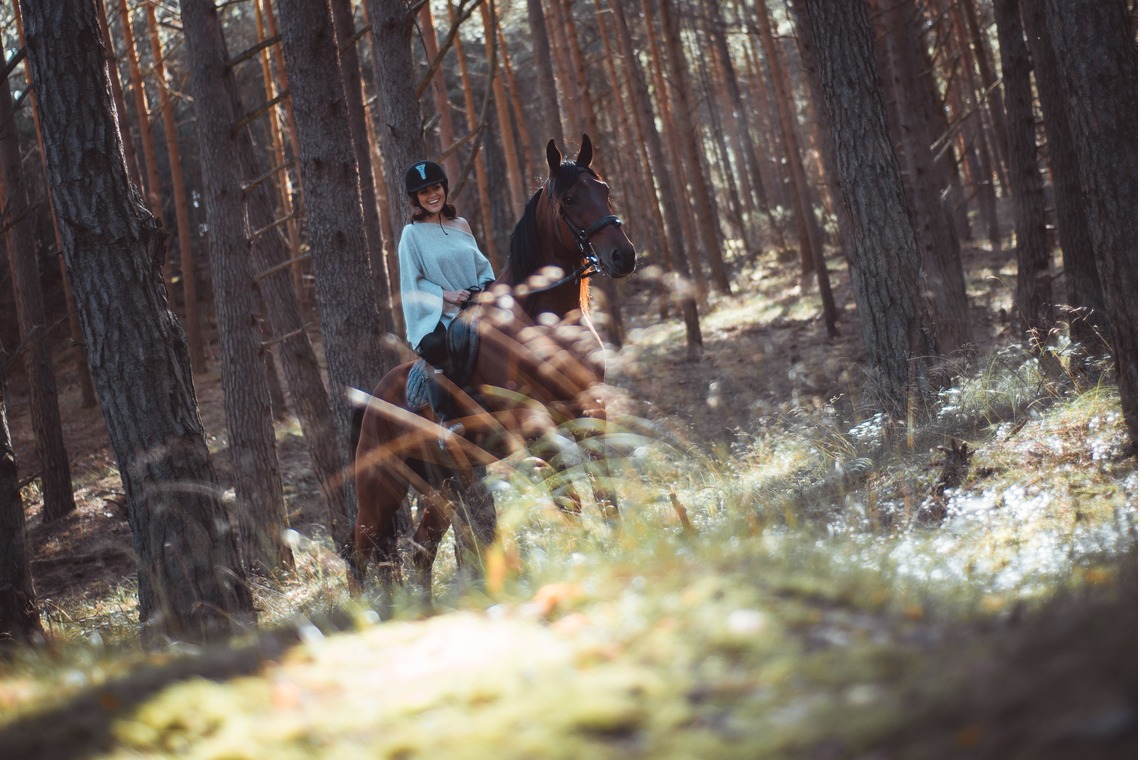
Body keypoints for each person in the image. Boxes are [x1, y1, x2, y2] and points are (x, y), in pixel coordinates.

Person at [399, 159, 495, 430]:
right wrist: (446, 296)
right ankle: (448, 420)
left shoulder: (461, 224)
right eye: (424, 192)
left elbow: (482, 267)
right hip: (439, 315)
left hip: (474, 305)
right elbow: (411, 282)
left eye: (436, 188)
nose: (432, 195)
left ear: (444, 188)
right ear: (416, 198)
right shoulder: (411, 235)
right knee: (435, 347)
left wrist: (487, 288)